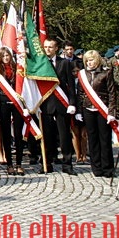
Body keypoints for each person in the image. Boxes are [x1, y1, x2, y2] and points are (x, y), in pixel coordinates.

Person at [76, 50, 117, 178]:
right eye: (87, 60)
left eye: (92, 60)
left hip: (102, 109)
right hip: (88, 109)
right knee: (92, 139)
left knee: (104, 139)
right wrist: (79, 111)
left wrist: (111, 112)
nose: (90, 63)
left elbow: (112, 94)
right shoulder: (82, 74)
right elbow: (80, 94)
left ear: (97, 60)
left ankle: (108, 168)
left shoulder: (106, 73)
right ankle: (97, 168)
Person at [40, 39, 77, 174]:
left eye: (50, 47)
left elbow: (71, 86)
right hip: (45, 105)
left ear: (56, 48)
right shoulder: (40, 63)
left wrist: (72, 103)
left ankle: (67, 165)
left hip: (62, 104)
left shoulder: (65, 63)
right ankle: (47, 163)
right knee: (47, 136)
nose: (47, 49)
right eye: (45, 47)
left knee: (64, 136)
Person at [0, 47, 26, 175]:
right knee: (6, 135)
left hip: (17, 104)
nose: (6, 57)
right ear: (0, 57)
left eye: (8, 55)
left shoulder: (18, 69)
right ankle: (9, 164)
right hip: (3, 104)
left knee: (17, 134)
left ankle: (19, 163)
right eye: (4, 55)